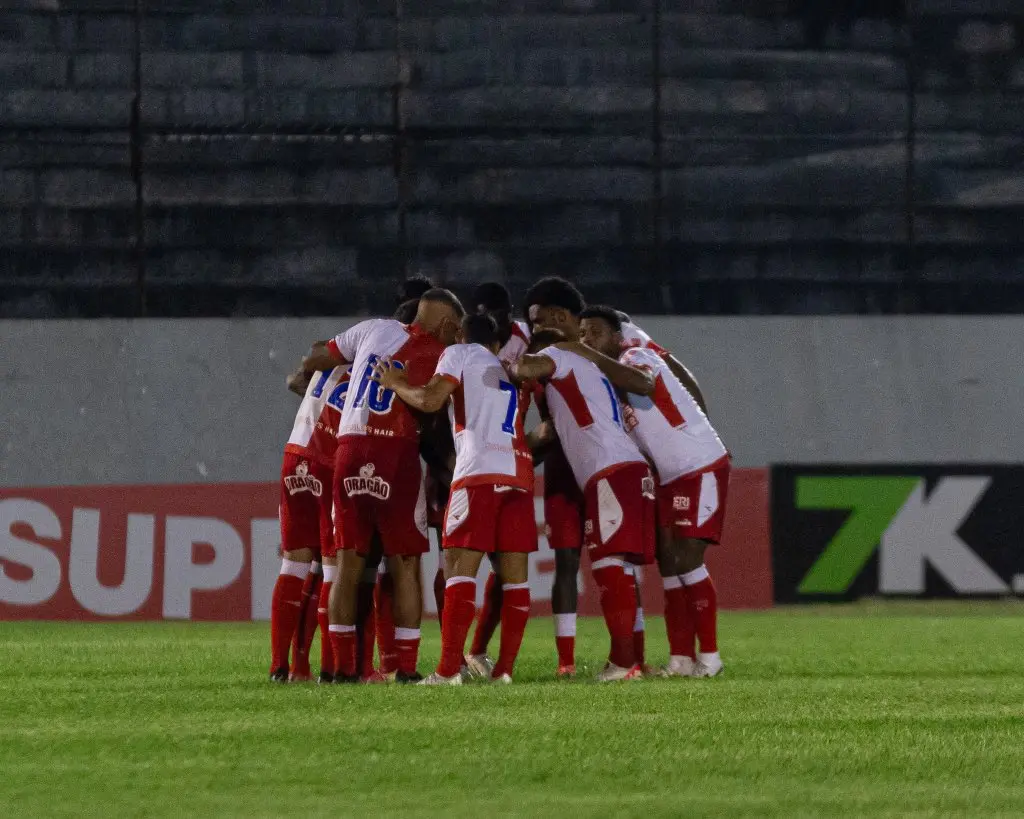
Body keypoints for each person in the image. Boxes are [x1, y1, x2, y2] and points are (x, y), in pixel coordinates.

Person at [300, 289, 464, 682]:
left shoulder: (372, 329)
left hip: (349, 450)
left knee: (348, 564)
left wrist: (349, 365)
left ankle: (340, 670)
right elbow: (432, 407)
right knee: (404, 564)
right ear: (446, 324)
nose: (458, 337)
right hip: (396, 453)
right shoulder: (445, 355)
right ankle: (406, 668)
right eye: (456, 330)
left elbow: (315, 359)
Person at [374, 312, 537, 684]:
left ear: (461, 334)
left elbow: (431, 399)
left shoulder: (459, 353)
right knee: (515, 581)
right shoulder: (503, 369)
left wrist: (396, 382)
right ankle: (504, 671)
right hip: (518, 474)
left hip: (478, 472)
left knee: (458, 571)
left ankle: (448, 671)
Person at [574, 305, 729, 677]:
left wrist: (585, 353)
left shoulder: (636, 357)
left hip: (699, 464)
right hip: (668, 475)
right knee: (670, 564)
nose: (586, 340)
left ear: (617, 338)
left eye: (594, 332)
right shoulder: (608, 382)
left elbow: (643, 383)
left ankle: (711, 659)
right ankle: (680, 660)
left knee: (688, 559)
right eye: (582, 334)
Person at [513, 322, 657, 681]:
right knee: (621, 568)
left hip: (610, 471)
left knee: (609, 568)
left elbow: (526, 368)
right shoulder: (591, 371)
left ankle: (623, 664)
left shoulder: (557, 355)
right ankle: (631, 661)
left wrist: (513, 364)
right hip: (630, 468)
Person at [462, 281, 533, 676]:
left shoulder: (527, 340)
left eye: (498, 314)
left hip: (493, 457)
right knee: (498, 568)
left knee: (471, 564)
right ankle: (476, 658)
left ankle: (462, 660)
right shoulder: (478, 348)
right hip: (491, 456)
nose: (493, 321)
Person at [268, 358, 349, 683]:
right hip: (328, 460)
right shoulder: (371, 368)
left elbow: (293, 380)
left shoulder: (328, 360)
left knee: (294, 564)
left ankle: (282, 667)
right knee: (332, 568)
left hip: (294, 454)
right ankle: (330, 668)